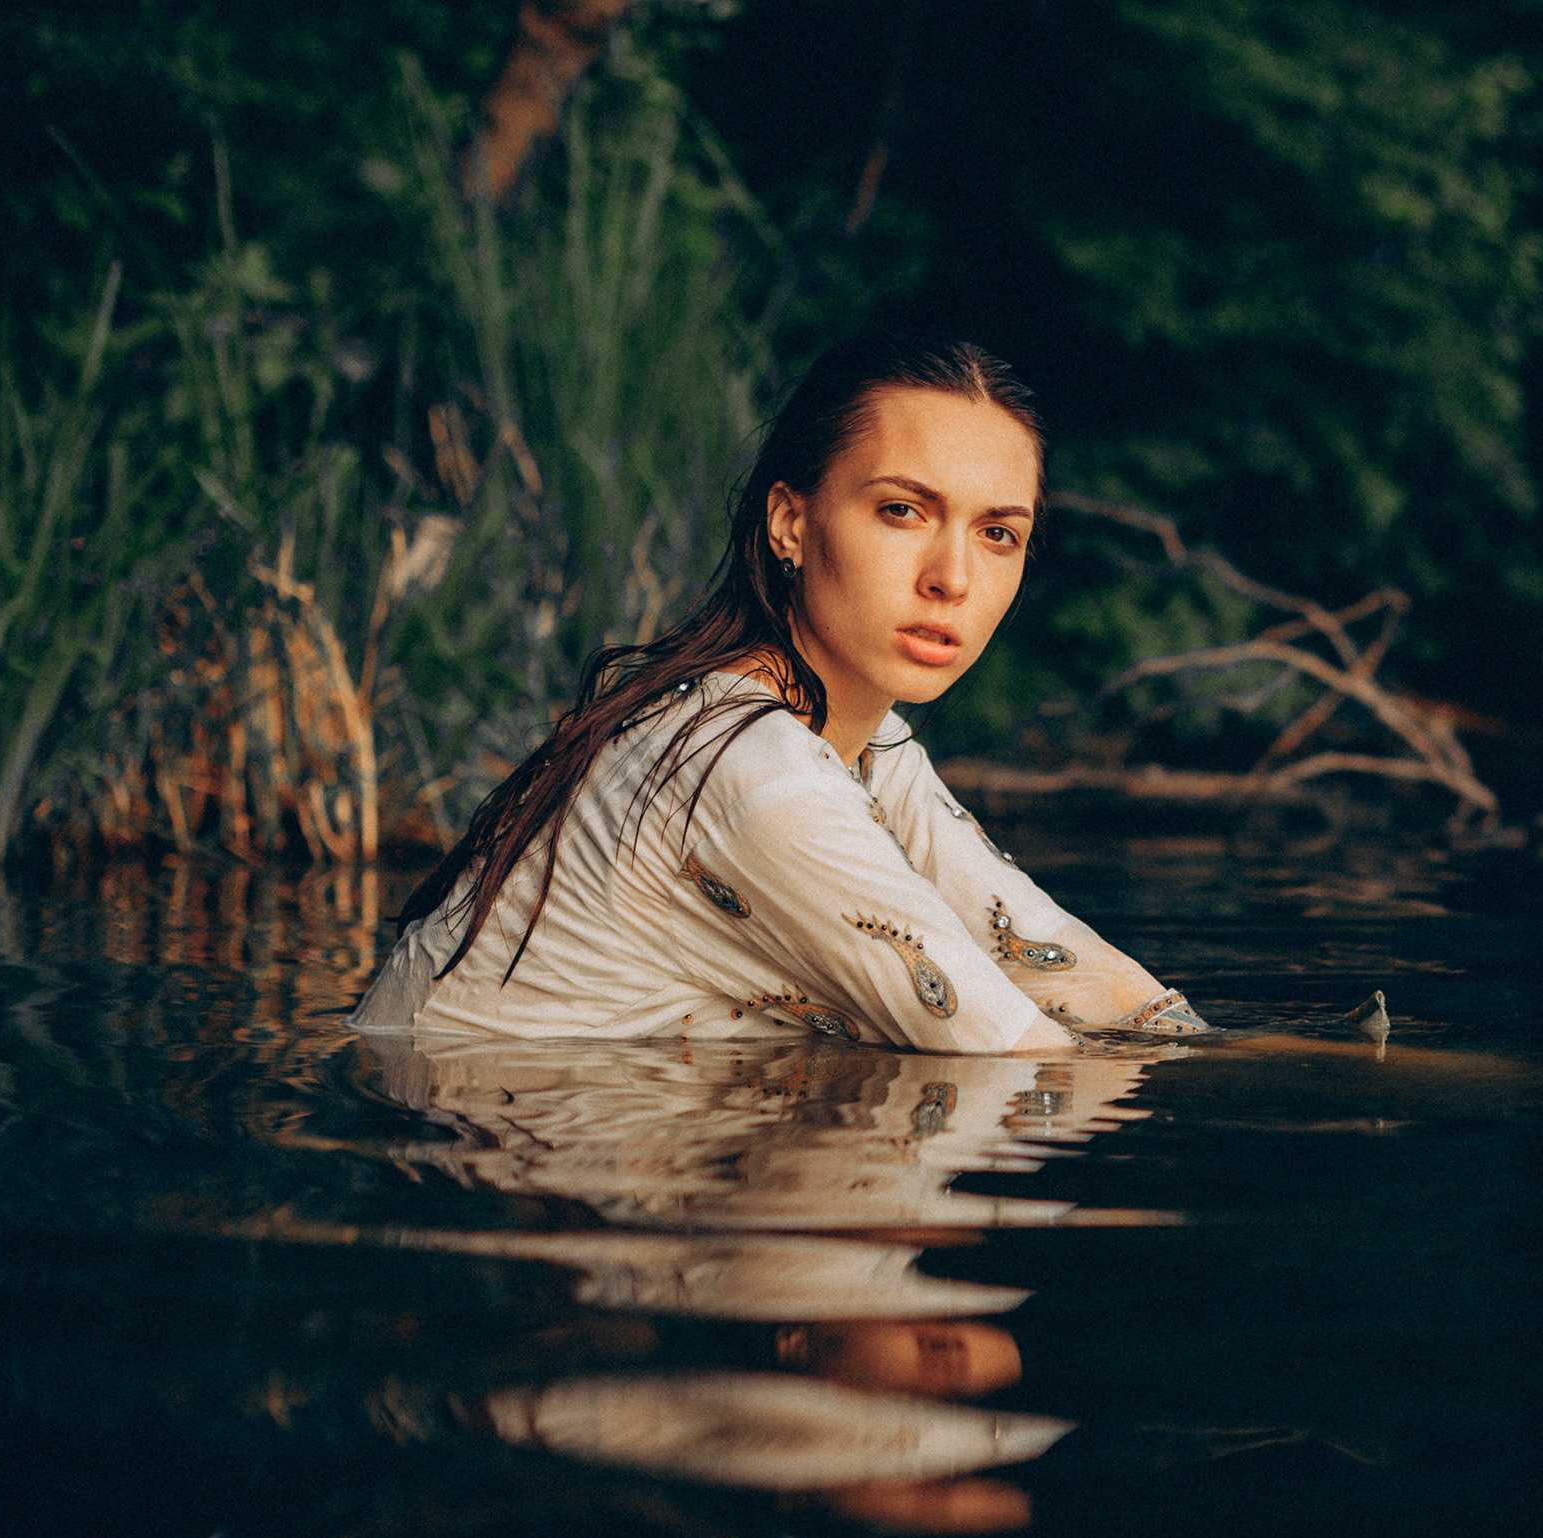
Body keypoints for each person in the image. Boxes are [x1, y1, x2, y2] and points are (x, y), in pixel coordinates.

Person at [353, 336, 1206, 1052]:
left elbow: (1068, 970)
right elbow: (1013, 1053)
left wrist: (1274, 1045)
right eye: (903, 511)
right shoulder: (750, 768)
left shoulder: (866, 745)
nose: (953, 577)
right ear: (791, 521)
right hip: (461, 1159)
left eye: (997, 534)